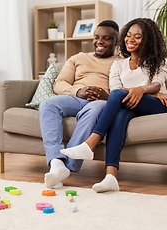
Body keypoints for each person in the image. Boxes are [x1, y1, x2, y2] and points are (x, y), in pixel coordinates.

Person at [60, 18, 167, 193]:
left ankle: (90, 143)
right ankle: (110, 177)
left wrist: (143, 90)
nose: (131, 40)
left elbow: (157, 84)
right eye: (128, 36)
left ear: (148, 40)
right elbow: (115, 91)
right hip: (131, 106)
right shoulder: (118, 65)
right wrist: (137, 91)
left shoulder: (159, 61)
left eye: (138, 37)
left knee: (120, 95)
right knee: (119, 114)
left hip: (159, 104)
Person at [39, 20, 120, 189]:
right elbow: (60, 83)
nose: (100, 41)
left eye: (106, 38)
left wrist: (108, 96)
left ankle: (69, 166)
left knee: (96, 109)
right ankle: (56, 163)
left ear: (116, 41)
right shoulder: (78, 58)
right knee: (48, 104)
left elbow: (123, 91)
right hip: (76, 97)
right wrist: (78, 92)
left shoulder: (122, 63)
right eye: (97, 37)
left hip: (101, 101)